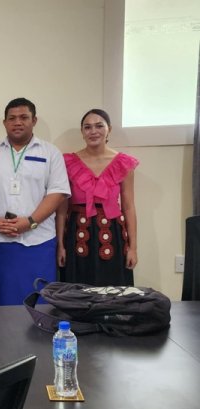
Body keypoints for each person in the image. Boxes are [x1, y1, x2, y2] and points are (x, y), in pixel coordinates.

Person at [0, 98, 70, 306]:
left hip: (39, 241)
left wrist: (30, 222)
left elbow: (57, 193)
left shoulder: (50, 153)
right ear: (4, 123)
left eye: (24, 117)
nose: (17, 122)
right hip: (1, 242)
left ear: (34, 120)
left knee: (40, 304)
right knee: (3, 304)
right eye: (12, 118)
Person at [56, 109, 138, 285]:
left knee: (112, 287)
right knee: (77, 288)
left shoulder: (123, 163)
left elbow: (128, 206)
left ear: (109, 129)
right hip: (77, 232)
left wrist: (133, 248)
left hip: (112, 233)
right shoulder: (68, 162)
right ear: (82, 132)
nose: (93, 131)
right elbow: (62, 208)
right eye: (87, 127)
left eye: (99, 126)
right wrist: (60, 245)